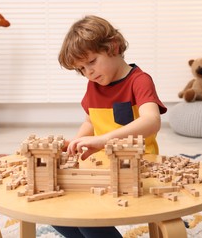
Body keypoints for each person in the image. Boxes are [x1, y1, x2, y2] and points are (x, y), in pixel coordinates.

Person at [53, 15, 167, 238]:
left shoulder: (139, 80)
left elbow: (151, 121)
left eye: (92, 62)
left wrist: (102, 141)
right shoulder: (93, 85)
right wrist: (76, 144)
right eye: (82, 69)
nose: (89, 73)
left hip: (137, 166)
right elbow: (90, 122)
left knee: (88, 217)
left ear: (113, 47)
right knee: (55, 207)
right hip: (101, 167)